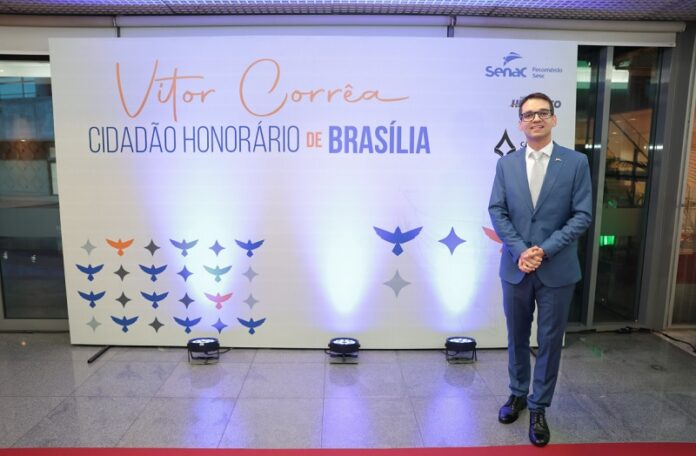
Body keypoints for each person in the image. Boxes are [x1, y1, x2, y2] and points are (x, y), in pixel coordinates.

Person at [488, 92, 592, 447]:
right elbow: (497, 210)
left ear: (553, 119)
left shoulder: (575, 163)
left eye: (542, 113)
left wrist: (543, 250)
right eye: (528, 114)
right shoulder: (507, 165)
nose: (535, 119)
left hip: (557, 269)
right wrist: (521, 250)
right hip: (516, 267)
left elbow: (582, 215)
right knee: (516, 336)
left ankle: (538, 407)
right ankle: (517, 394)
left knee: (549, 341)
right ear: (520, 122)